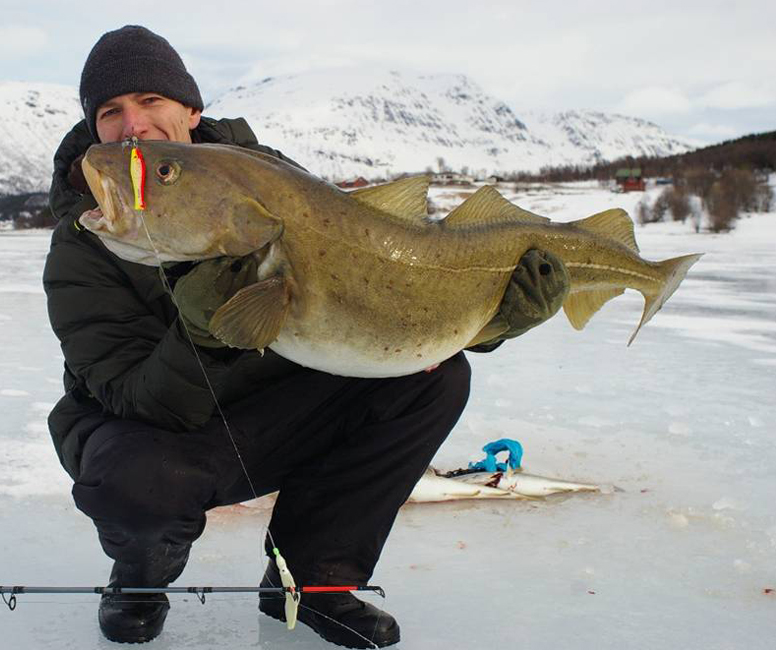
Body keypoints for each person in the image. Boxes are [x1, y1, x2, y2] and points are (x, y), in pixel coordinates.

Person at [43, 25, 569, 648]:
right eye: (111, 112)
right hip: (158, 434)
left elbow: (374, 294)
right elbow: (136, 398)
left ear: (190, 109)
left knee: (435, 379)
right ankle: (138, 579)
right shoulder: (83, 247)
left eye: (150, 102)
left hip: (274, 413)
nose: (133, 125)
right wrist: (210, 326)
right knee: (135, 477)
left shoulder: (277, 186)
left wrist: (488, 321)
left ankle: (313, 579)